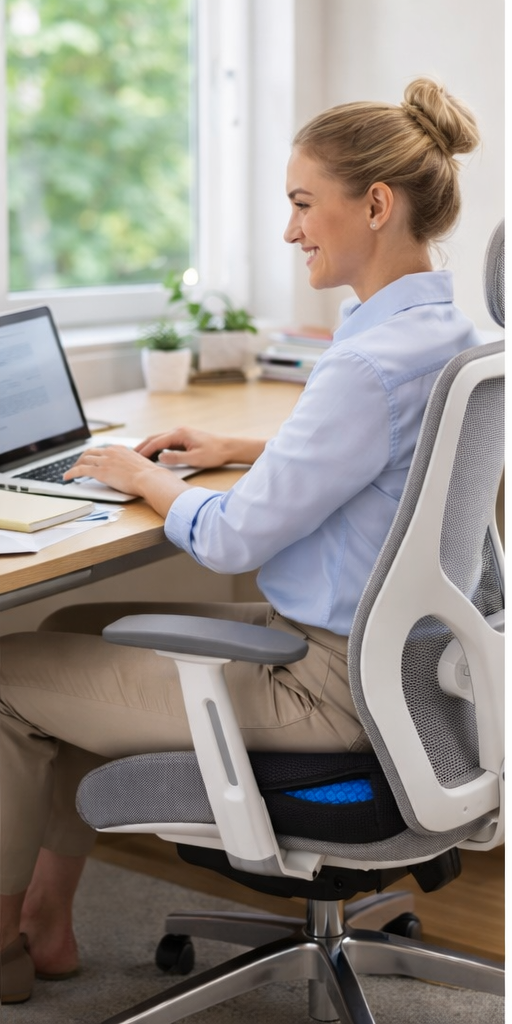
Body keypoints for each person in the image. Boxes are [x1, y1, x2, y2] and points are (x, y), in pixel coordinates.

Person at [0, 77, 482, 1004]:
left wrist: (146, 476)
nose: (294, 230)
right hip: (405, 675)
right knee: (93, 623)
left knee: (11, 671)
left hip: (325, 688)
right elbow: (393, 459)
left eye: (304, 204)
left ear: (374, 205)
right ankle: (48, 923)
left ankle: (8, 946)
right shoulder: (443, 334)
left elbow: (226, 541)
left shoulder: (366, 365)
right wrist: (251, 447)